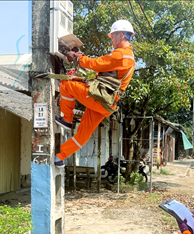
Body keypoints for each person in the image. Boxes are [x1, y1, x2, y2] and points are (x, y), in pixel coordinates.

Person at [54, 20, 136, 167]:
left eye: (112, 36)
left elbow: (94, 64)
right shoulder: (127, 56)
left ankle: (67, 119)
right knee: (83, 134)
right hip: (107, 103)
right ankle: (60, 156)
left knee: (66, 85)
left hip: (100, 98)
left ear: (121, 35)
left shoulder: (122, 55)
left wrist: (78, 57)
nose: (111, 40)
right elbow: (103, 73)